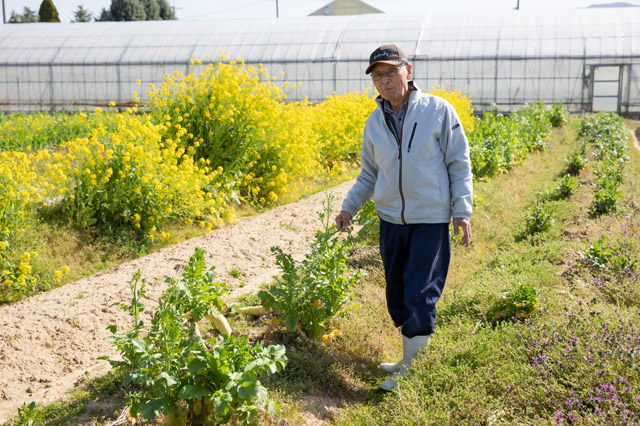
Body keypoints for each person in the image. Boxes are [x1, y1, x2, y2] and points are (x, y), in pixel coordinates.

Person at [334, 44, 473, 391]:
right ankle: (409, 356)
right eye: (377, 75)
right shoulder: (374, 122)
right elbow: (369, 173)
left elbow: (459, 162)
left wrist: (462, 210)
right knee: (397, 292)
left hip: (430, 219)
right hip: (391, 220)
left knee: (420, 291)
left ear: (408, 71)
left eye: (390, 72)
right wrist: (350, 206)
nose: (384, 80)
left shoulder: (438, 110)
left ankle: (414, 369)